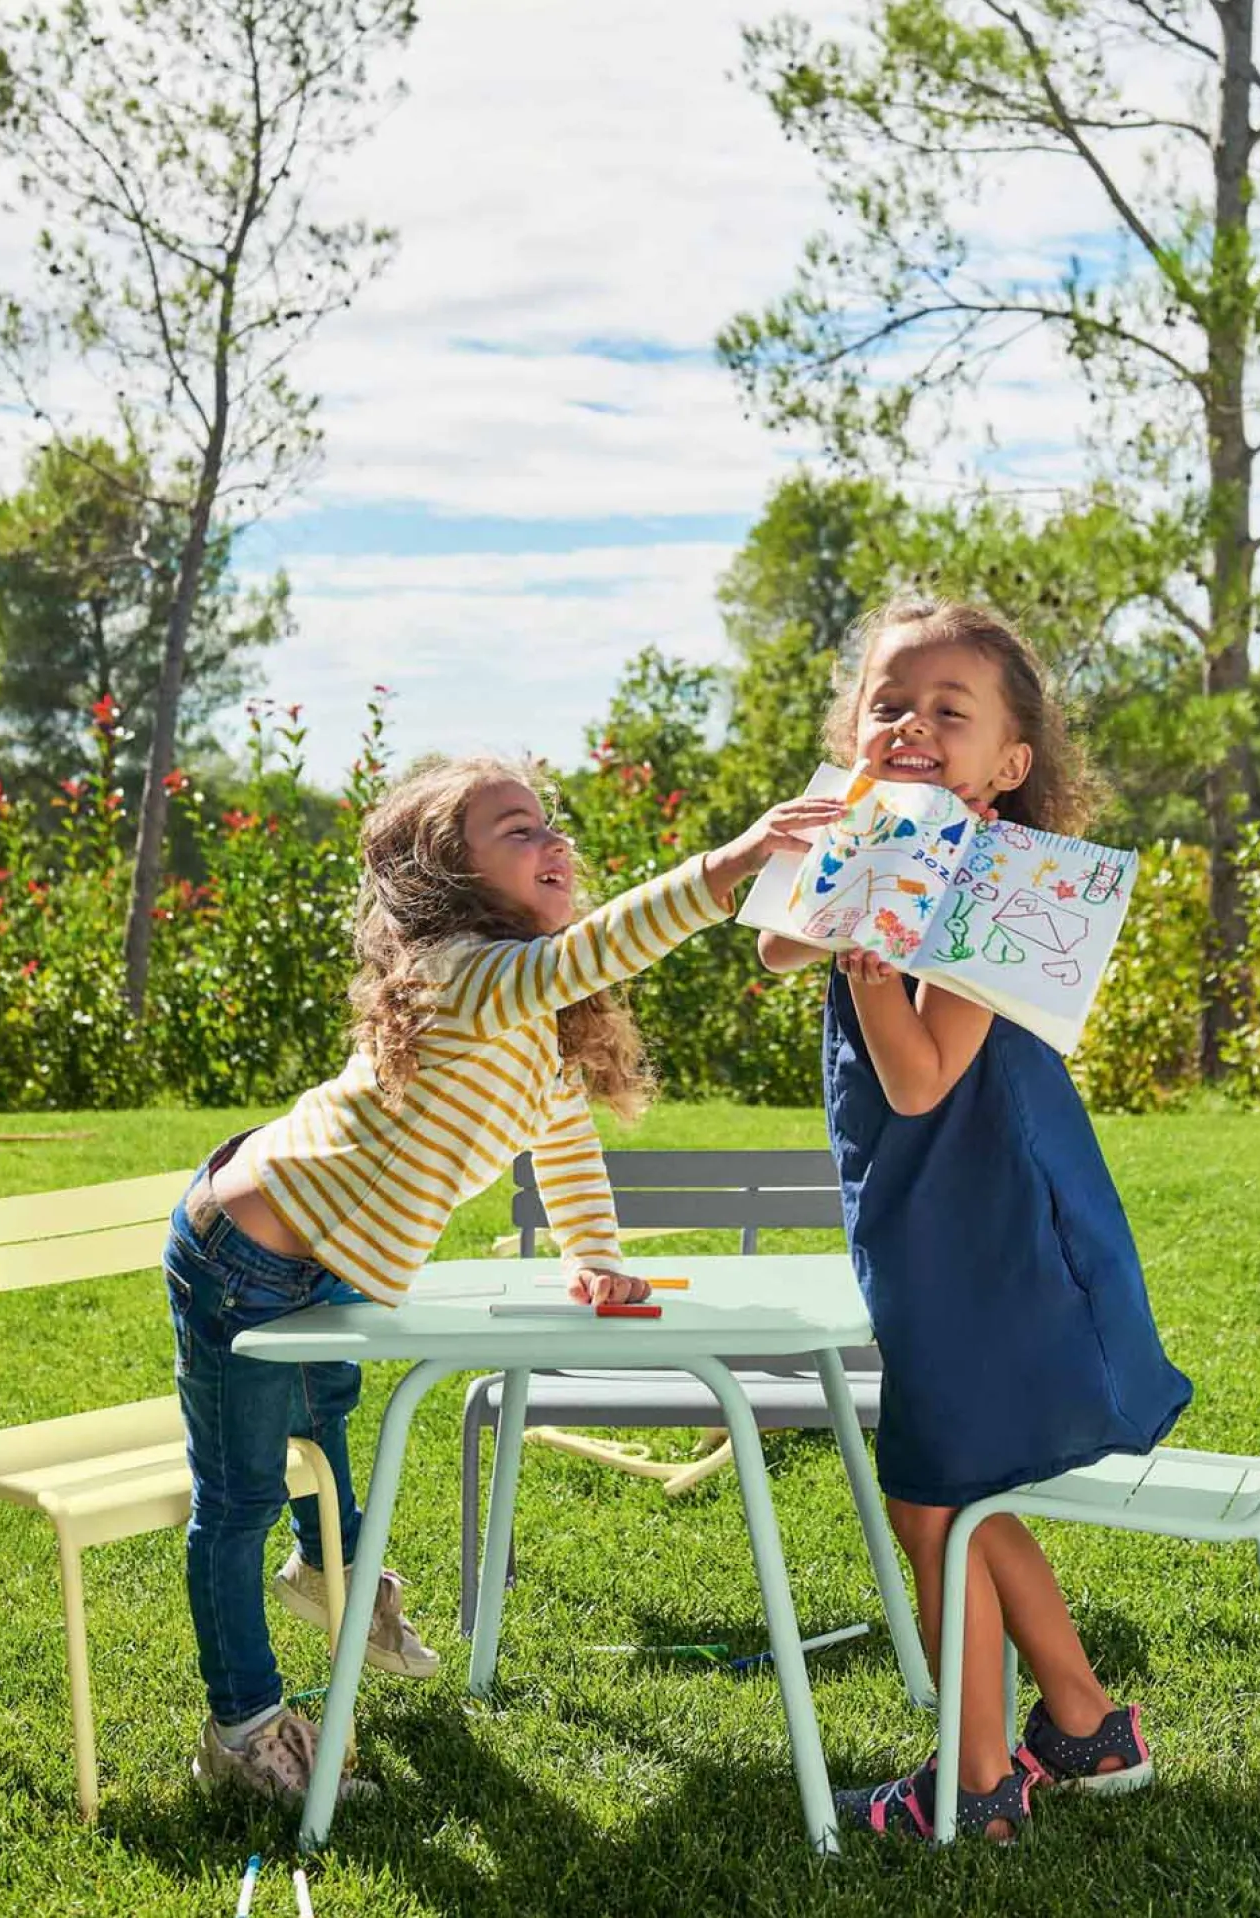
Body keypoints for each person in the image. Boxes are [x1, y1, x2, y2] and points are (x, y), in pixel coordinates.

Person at [165, 752, 846, 1801]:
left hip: (323, 1267)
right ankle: (243, 1727)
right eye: (516, 831)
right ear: (447, 879)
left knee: (325, 1432)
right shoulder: (462, 977)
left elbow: (561, 1142)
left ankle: (326, 1574)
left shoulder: (532, 1015)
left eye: (549, 823)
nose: (552, 842)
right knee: (241, 1495)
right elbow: (596, 947)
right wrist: (730, 866)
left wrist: (596, 1259)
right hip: (242, 1258)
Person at [759, 596, 1191, 1842]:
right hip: (922, 1217)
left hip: (992, 1222)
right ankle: (1083, 1721)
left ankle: (977, 1781)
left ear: (1009, 762)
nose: (910, 723)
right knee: (967, 1489)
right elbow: (777, 949)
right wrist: (857, 839)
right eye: (886, 703)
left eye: (948, 712)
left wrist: (867, 955)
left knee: (934, 1498)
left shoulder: (998, 881)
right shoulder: (890, 844)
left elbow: (917, 1077)